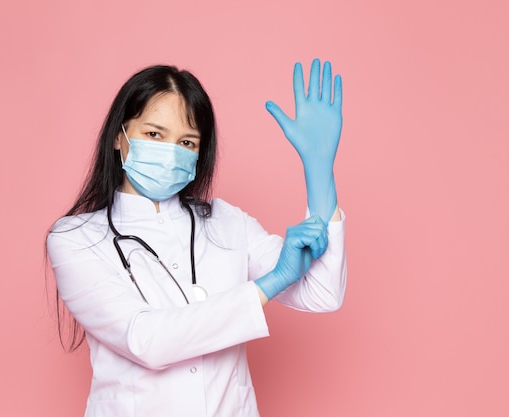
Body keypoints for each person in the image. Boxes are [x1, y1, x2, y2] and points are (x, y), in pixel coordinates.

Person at [46, 58, 347, 417]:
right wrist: (270, 284)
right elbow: (146, 341)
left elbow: (323, 293)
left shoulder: (226, 222)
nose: (171, 152)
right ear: (118, 136)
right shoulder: (75, 239)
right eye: (154, 134)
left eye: (187, 142)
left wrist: (319, 173)